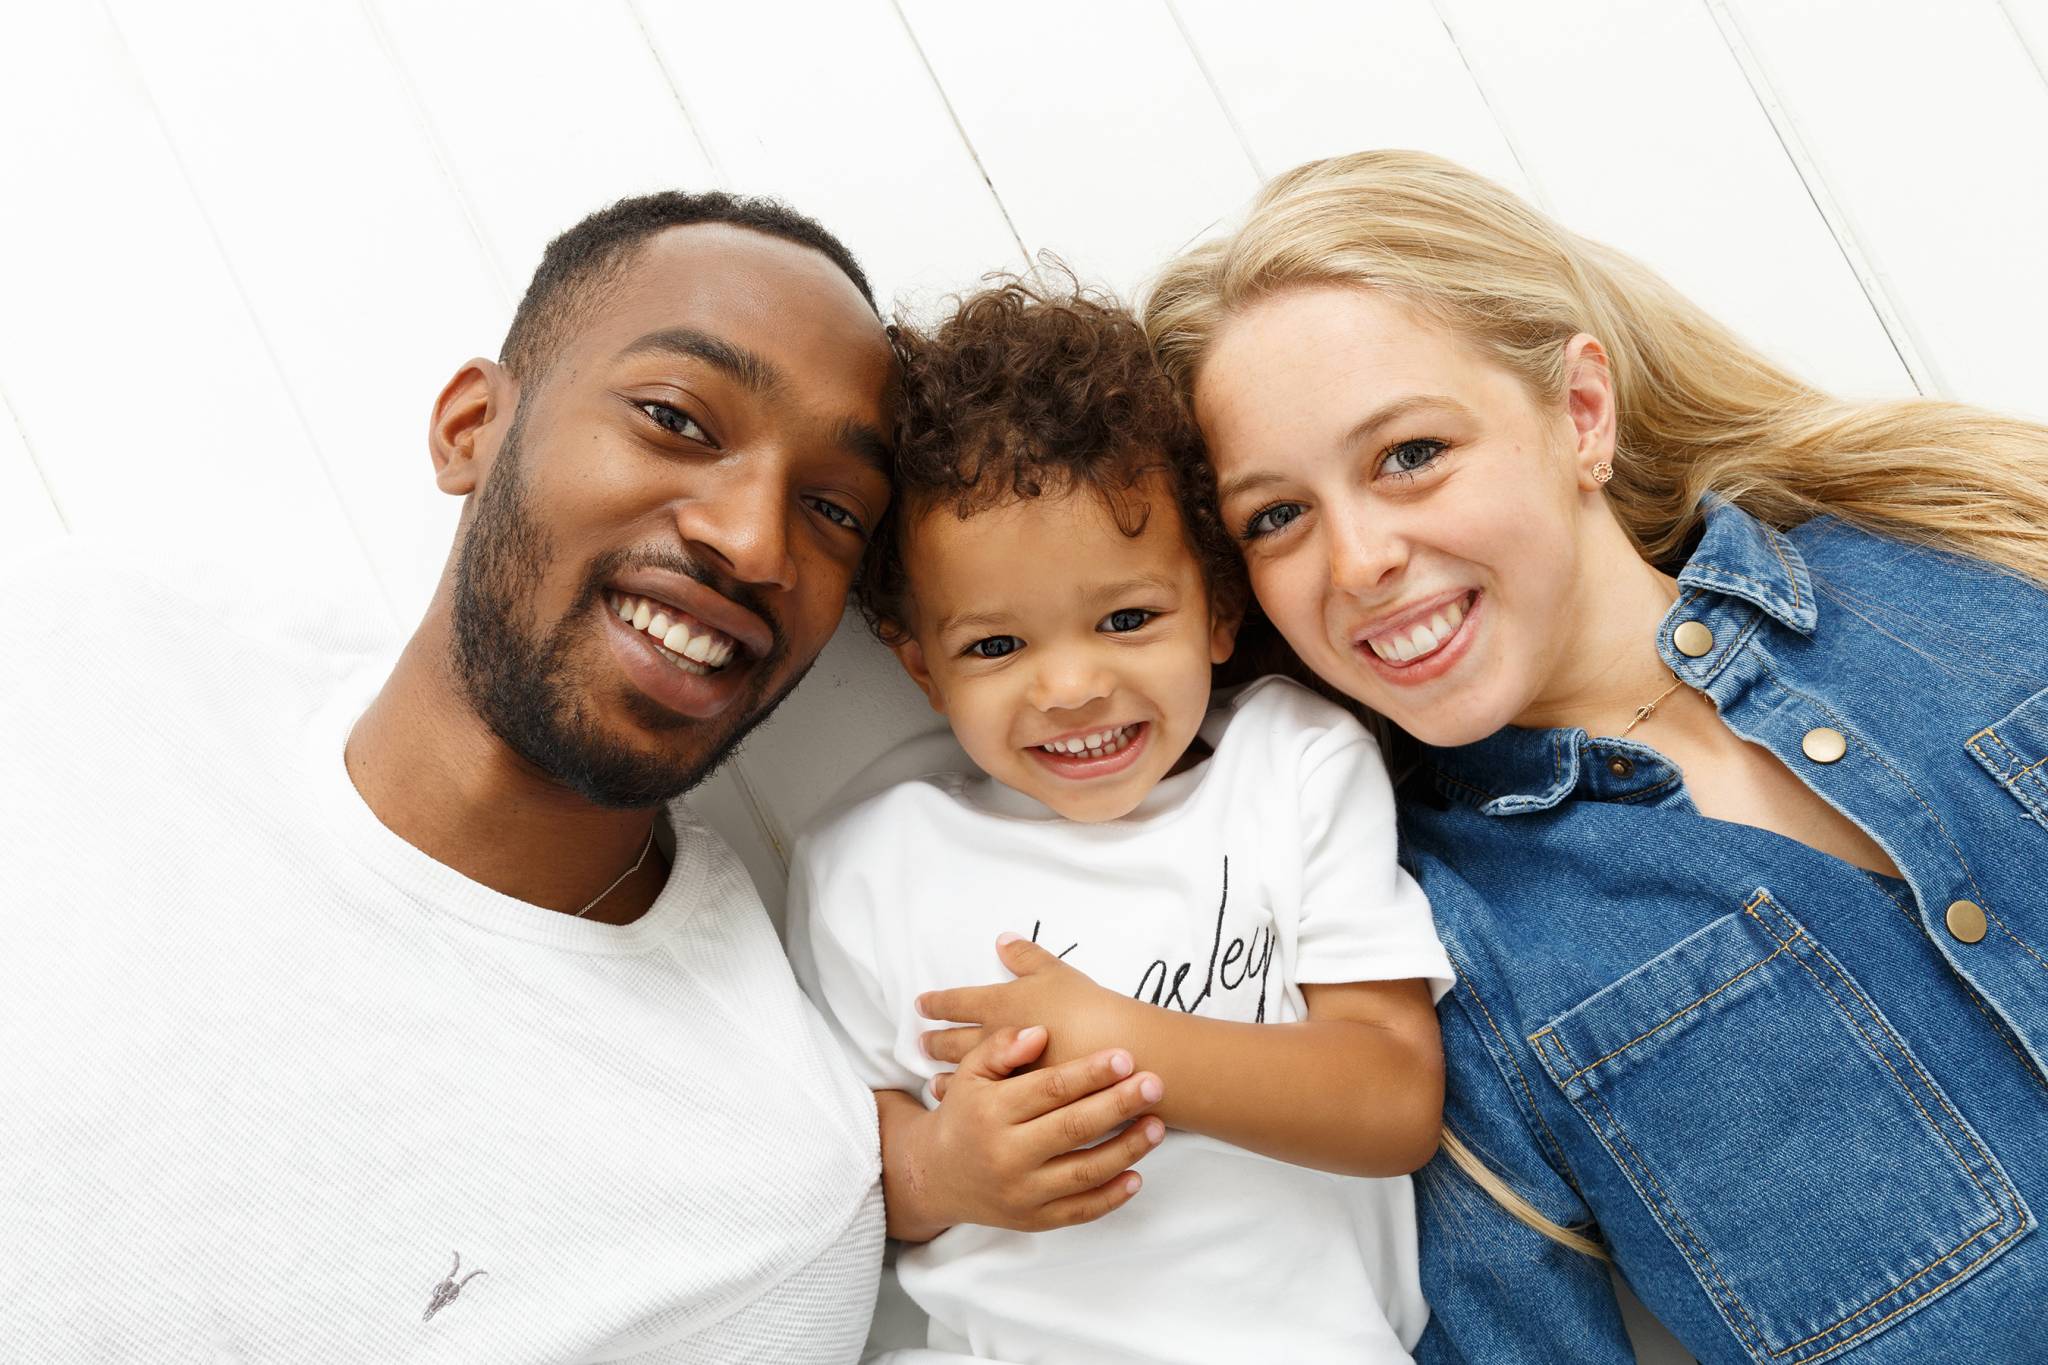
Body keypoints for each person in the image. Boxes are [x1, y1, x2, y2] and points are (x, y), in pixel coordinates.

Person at [0, 191, 1132, 1363]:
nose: (752, 540)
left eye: (832, 508)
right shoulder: (79, 651)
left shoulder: (763, 1191)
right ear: (470, 428)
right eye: (675, 419)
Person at [1141, 149, 2048, 1362]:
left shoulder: (1966, 566)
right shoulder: (1440, 967)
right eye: (1275, 517)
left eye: (1408, 455)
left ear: (1578, 413)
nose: (1356, 559)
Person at [787, 278, 1452, 1364]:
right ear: (919, 667)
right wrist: (947, 1168)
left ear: (1218, 610)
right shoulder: (871, 861)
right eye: (994, 648)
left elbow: (1389, 1100)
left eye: (1127, 619)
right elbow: (837, 1167)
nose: (1067, 688)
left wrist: (1131, 1043)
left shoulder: (1287, 764)